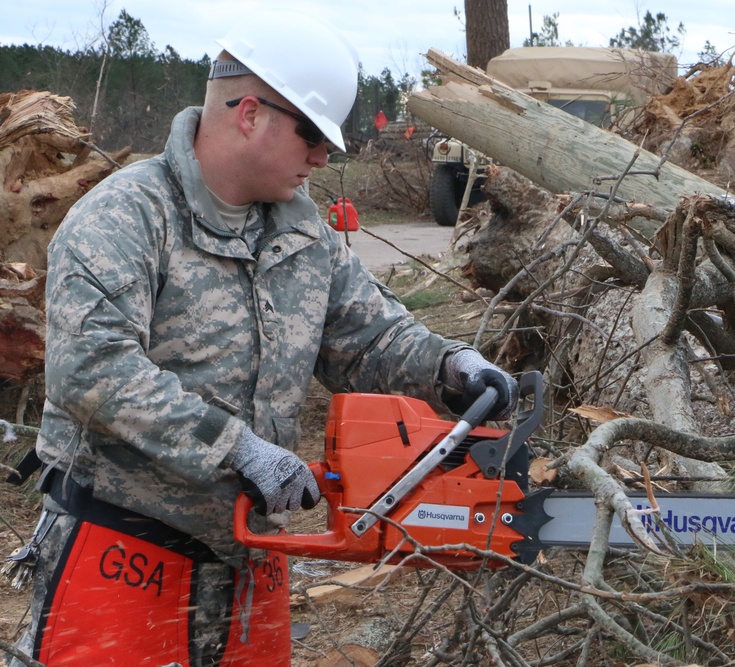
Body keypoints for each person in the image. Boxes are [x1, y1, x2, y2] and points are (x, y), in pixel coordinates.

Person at [7, 10, 517, 667]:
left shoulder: (301, 235)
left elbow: (365, 338)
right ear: (249, 113)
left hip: (251, 563)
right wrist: (235, 446)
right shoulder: (127, 216)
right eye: (311, 133)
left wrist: (452, 366)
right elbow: (92, 370)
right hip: (121, 552)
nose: (322, 155)